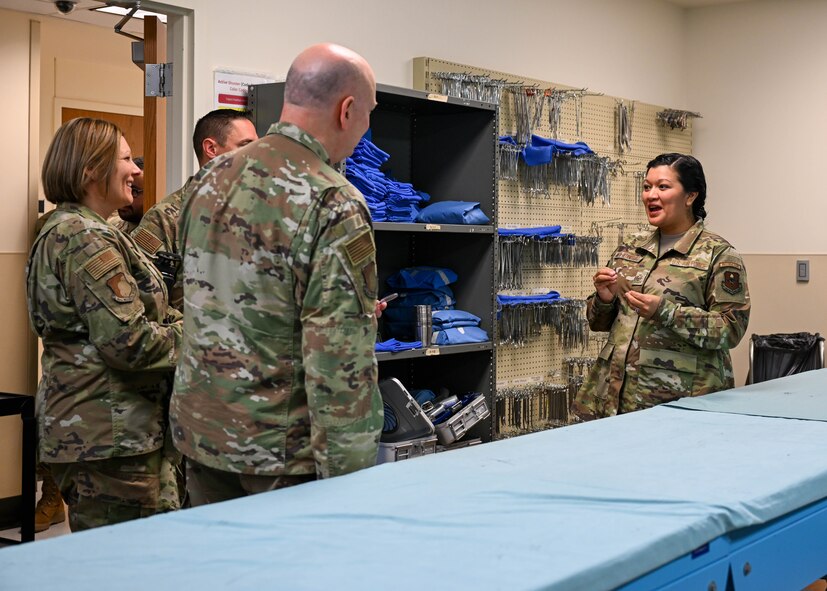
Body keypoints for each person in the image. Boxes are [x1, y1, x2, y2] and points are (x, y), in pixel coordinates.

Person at [169, 43, 385, 505]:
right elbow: (339, 361)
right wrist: (350, 483)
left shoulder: (209, 179)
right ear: (347, 111)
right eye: (368, 114)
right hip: (280, 456)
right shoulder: (333, 201)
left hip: (204, 436)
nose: (366, 130)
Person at [26, 117, 183, 531]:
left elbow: (149, 314)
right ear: (91, 169)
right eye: (127, 159)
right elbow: (129, 341)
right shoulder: (82, 237)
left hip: (117, 436)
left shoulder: (93, 230)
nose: (137, 171)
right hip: (109, 440)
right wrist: (208, 335)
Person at [572, 153, 750, 420]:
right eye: (647, 187)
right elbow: (599, 323)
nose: (650, 195)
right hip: (614, 400)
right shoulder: (630, 248)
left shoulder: (719, 255)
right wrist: (604, 300)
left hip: (681, 404)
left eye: (663, 187)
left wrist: (666, 312)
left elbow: (731, 329)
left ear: (690, 196)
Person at [131, 111, 258, 311]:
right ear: (211, 148)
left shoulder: (258, 213)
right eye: (246, 145)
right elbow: (142, 301)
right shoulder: (165, 218)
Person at [108, 156, 144, 233]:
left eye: (133, 191)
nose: (124, 197)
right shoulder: (110, 226)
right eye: (121, 188)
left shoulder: (164, 233)